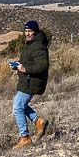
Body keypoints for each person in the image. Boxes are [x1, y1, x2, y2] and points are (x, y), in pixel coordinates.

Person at [11, 20, 50, 148]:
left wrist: (25, 69)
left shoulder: (38, 45)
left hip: (32, 82)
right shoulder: (30, 43)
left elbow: (42, 65)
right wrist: (18, 66)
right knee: (20, 104)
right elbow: (29, 61)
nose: (28, 33)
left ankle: (25, 137)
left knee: (17, 107)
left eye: (30, 31)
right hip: (26, 80)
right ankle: (39, 122)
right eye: (26, 31)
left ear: (35, 31)